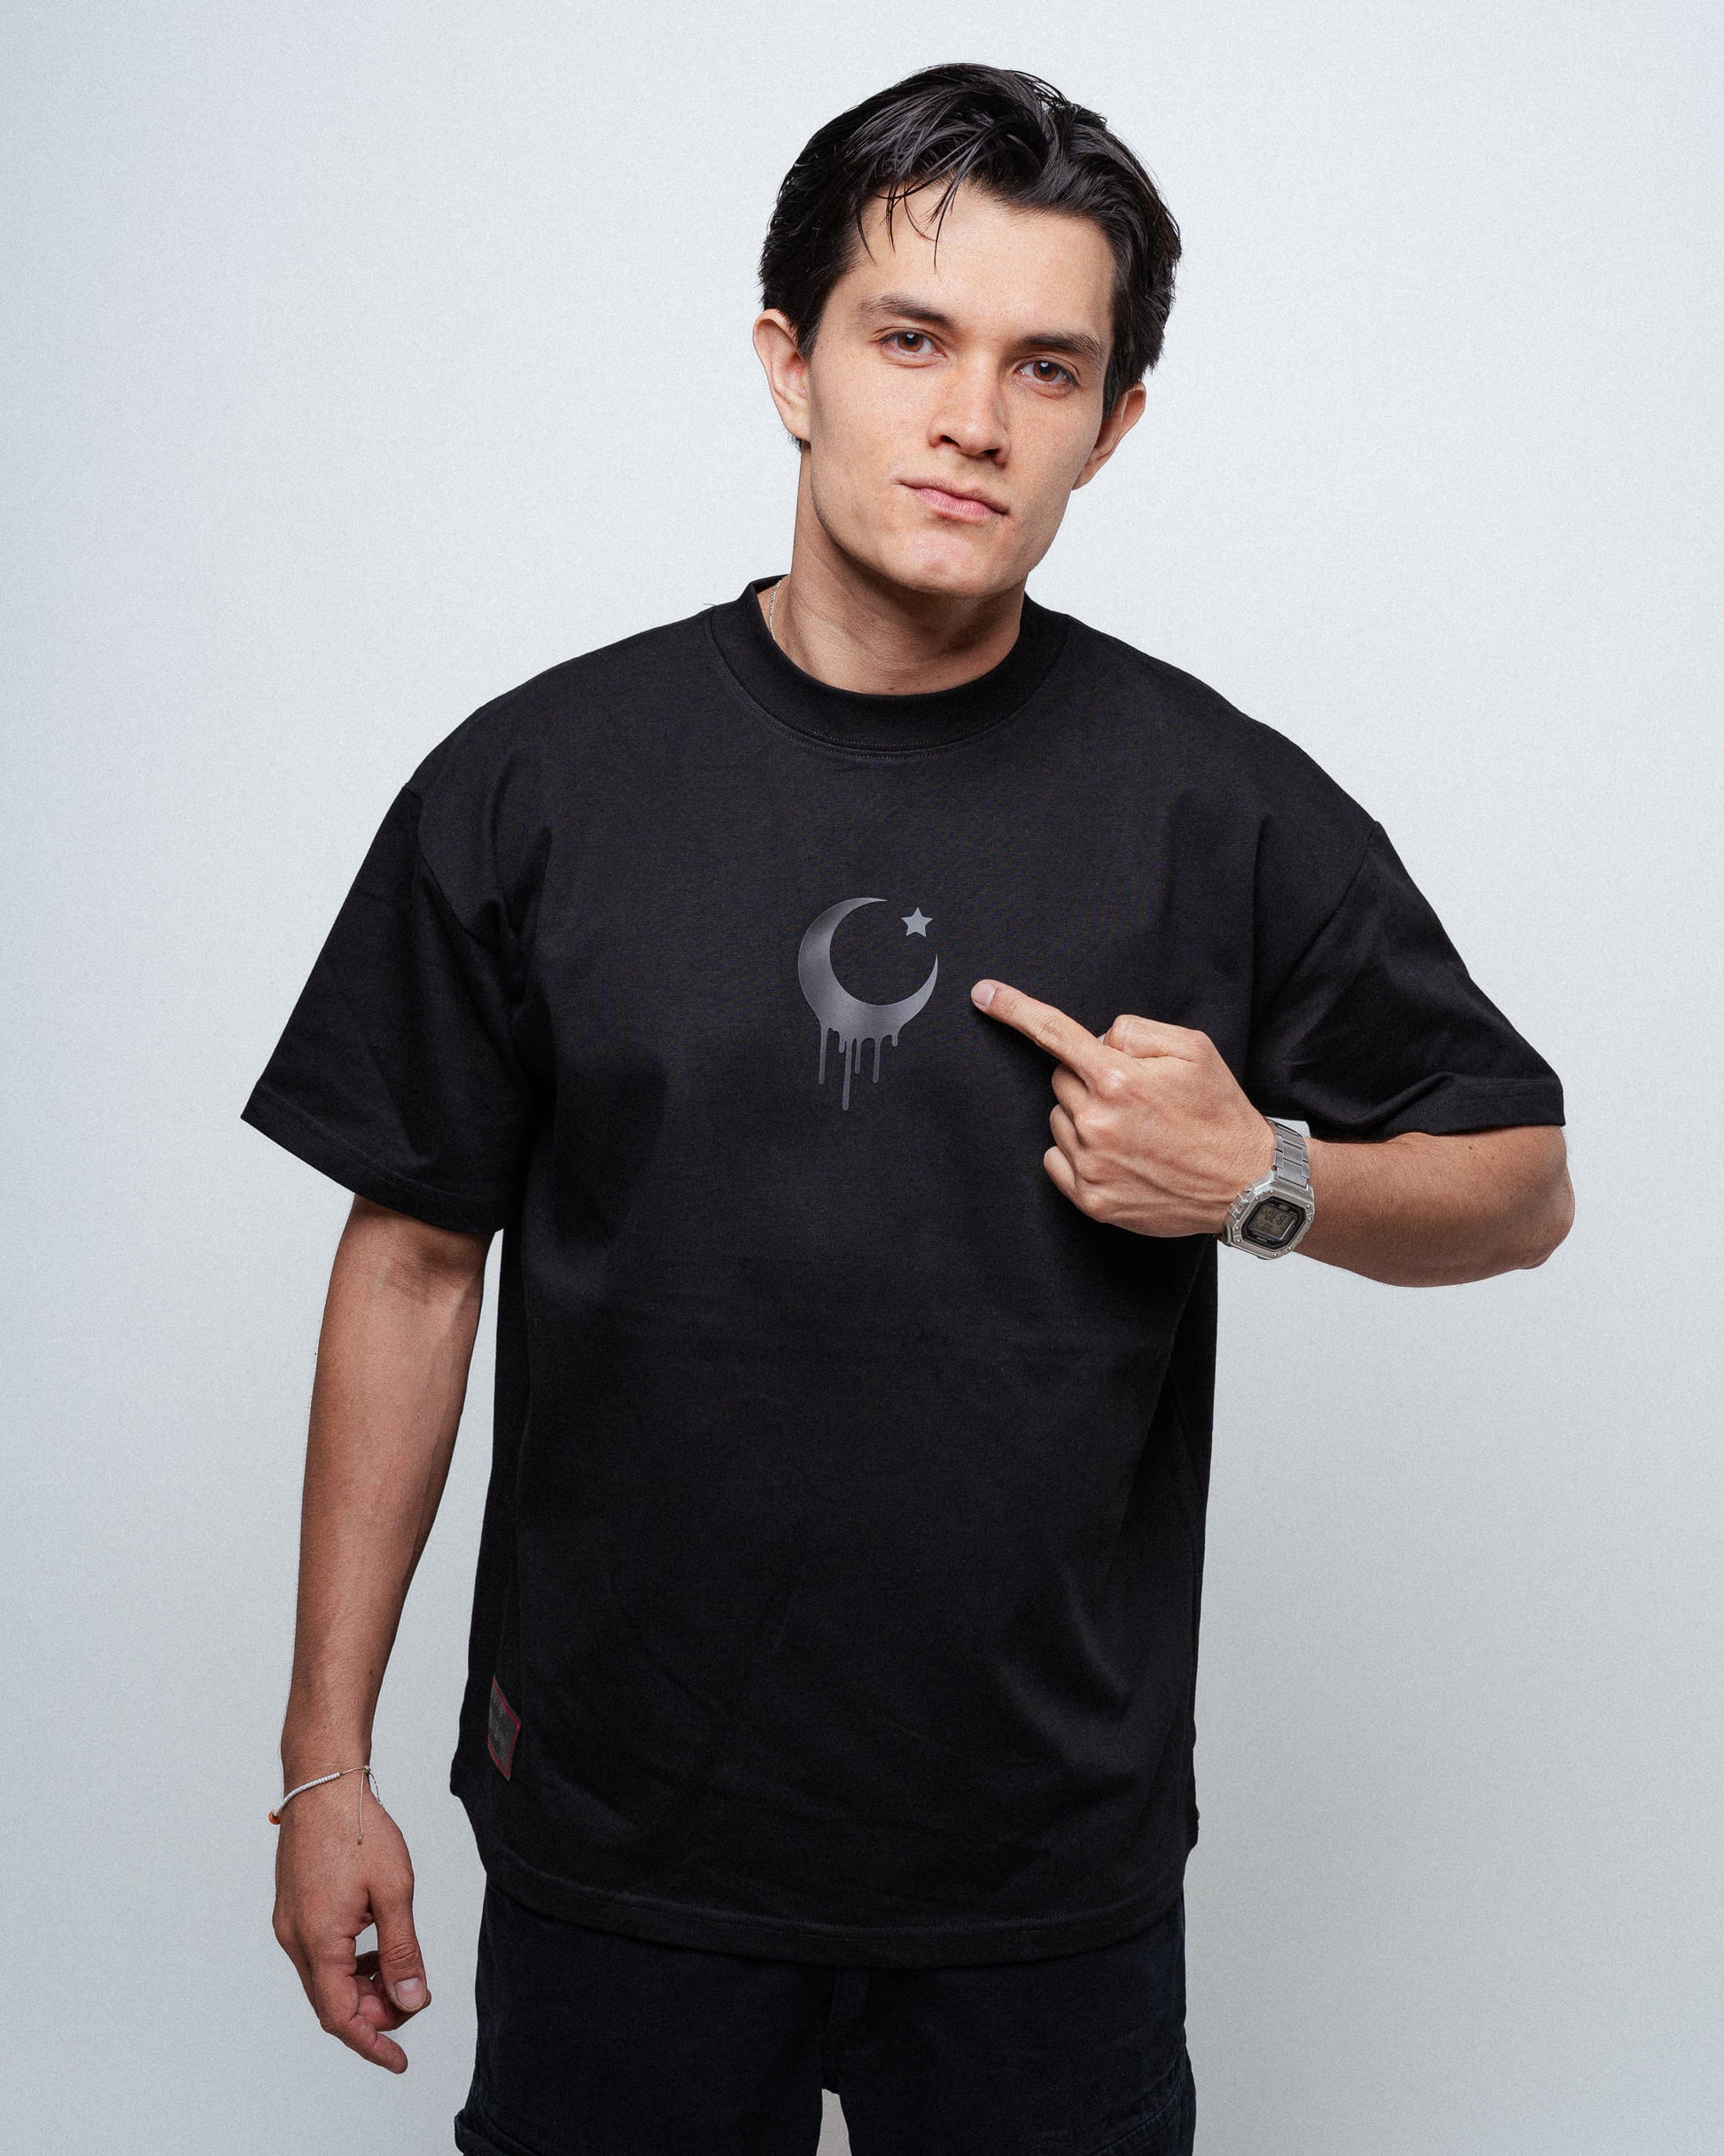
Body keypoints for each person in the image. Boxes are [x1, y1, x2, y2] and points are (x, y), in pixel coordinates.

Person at [246, 62, 1573, 2156]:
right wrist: (325, 1762)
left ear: (1111, 423)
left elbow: (1522, 1182)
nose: (973, 417)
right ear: (790, 362)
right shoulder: (538, 783)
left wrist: (1265, 1176)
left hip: (1043, 1866)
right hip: (622, 1835)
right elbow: (412, 1257)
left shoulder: (1212, 804)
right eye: (912, 338)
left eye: (1047, 366)